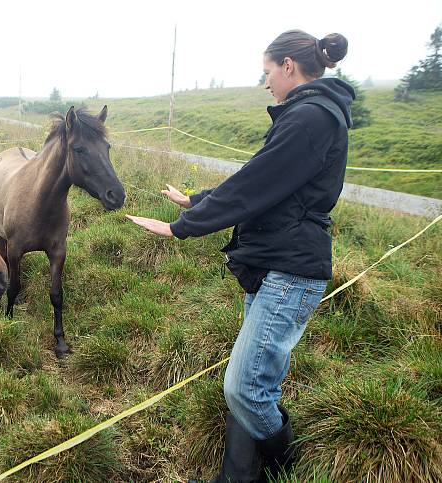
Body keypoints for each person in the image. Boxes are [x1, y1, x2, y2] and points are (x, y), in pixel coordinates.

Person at [126, 30, 354, 482]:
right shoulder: (307, 114)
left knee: (245, 389)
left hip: (291, 269)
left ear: (288, 66)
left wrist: (181, 228)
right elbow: (261, 176)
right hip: (274, 263)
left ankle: (288, 463)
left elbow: (257, 185)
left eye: (267, 71)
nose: (265, 82)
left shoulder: (310, 118)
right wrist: (198, 200)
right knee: (253, 382)